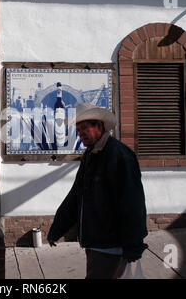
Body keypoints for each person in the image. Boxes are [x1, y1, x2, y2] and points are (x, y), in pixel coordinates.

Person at [47, 103, 148, 279]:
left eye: (85, 128)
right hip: (95, 242)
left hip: (111, 245)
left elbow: (133, 203)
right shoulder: (90, 155)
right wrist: (57, 228)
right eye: (78, 130)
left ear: (99, 126)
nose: (81, 133)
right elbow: (76, 196)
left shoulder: (119, 155)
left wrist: (133, 245)